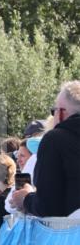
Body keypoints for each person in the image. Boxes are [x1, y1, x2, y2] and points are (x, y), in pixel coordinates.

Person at [11, 81, 80, 218]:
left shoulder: (55, 140)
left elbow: (48, 207)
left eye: (53, 111)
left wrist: (25, 198)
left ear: (60, 113)